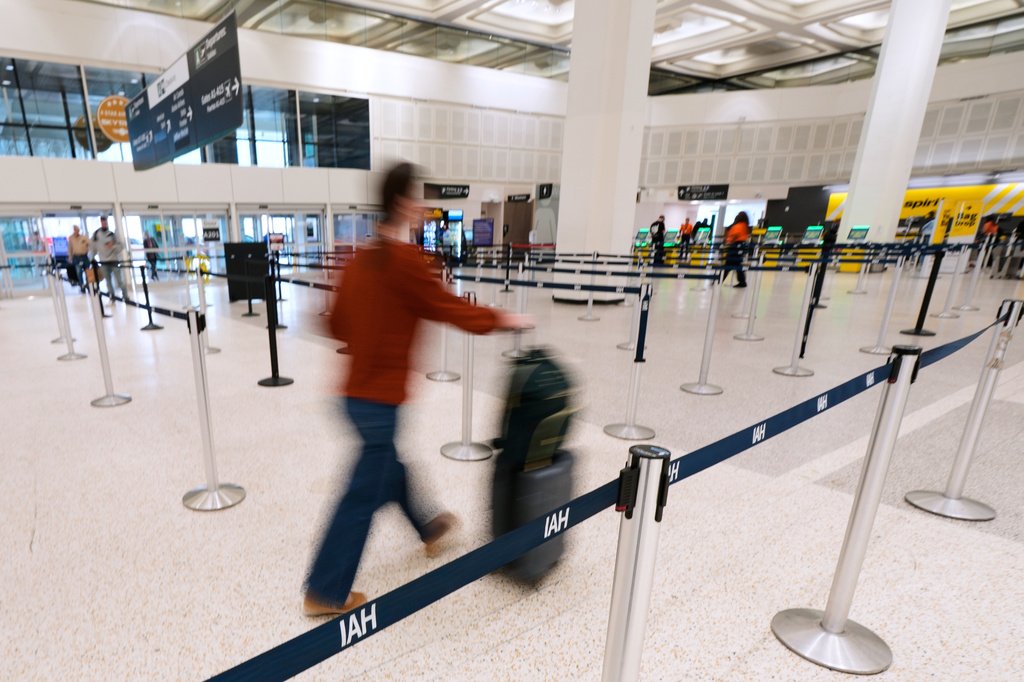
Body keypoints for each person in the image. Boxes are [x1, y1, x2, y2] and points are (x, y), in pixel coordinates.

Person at [303, 163, 531, 617]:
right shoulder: (405, 262)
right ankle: (324, 591)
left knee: (387, 466)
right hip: (379, 401)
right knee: (362, 492)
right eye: (419, 198)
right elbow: (450, 310)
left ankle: (430, 529)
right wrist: (506, 319)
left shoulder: (357, 259)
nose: (422, 206)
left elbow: (334, 324)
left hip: (350, 395)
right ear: (405, 203)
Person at [89, 217, 128, 300]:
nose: (104, 225)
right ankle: (112, 297)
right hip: (103, 262)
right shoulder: (96, 235)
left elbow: (121, 246)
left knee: (119, 280)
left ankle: (126, 297)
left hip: (113, 261)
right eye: (103, 223)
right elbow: (93, 248)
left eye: (105, 223)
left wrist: (112, 246)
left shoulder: (112, 235)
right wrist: (92, 259)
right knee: (108, 282)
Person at [724, 212, 750, 287]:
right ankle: (742, 282)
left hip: (735, 245)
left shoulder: (739, 225)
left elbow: (735, 235)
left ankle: (719, 279)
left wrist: (730, 243)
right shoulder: (745, 225)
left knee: (729, 263)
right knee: (737, 263)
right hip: (741, 245)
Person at [68, 225, 90, 293]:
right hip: (76, 257)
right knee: (79, 272)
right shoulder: (71, 238)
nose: (76, 231)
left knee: (88, 272)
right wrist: (70, 257)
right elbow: (70, 248)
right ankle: (82, 287)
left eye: (77, 229)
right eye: (74, 229)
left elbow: (89, 244)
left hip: (84, 257)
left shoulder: (83, 237)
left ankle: (89, 286)